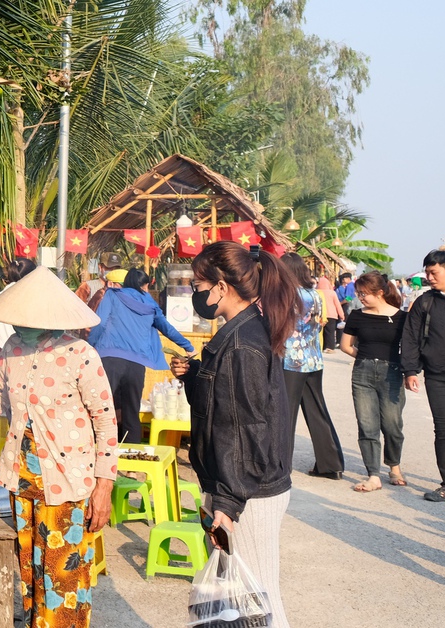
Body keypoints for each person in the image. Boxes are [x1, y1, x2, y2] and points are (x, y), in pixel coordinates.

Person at [0, 266, 115, 628]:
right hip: (22, 477)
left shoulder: (81, 354)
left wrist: (104, 487)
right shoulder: (13, 348)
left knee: (63, 577)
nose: (17, 324)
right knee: (33, 572)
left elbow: (106, 422)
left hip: (68, 481)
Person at [169, 241, 300, 628]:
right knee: (241, 600)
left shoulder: (242, 343)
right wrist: (195, 376)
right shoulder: (239, 331)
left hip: (248, 490)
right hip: (240, 484)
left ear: (221, 287)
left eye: (197, 284)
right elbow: (224, 408)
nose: (195, 292)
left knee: (258, 595)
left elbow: (248, 431)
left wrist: (227, 503)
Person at [87, 268, 194, 444]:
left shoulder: (112, 296)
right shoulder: (150, 304)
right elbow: (166, 328)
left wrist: (90, 345)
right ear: (144, 285)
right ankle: (131, 464)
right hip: (136, 363)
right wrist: (188, 346)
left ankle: (96, 454)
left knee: (101, 408)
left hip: (109, 359)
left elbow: (99, 324)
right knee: (131, 411)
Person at [340, 272, 407, 492]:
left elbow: (409, 348)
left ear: (380, 293)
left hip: (392, 373)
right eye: (359, 293)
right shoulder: (357, 316)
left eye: (364, 294)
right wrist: (365, 358)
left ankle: (394, 465)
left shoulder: (401, 318)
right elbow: (346, 346)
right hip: (362, 373)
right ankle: (373, 474)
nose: (360, 297)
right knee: (367, 425)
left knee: (392, 424)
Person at [281, 253, 345, 479]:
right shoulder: (315, 295)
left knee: (285, 413)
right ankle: (331, 464)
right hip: (313, 358)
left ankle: (281, 466)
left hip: (291, 360)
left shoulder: (287, 295)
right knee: (317, 409)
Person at [401, 250, 445, 502]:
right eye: (427, 273)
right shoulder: (424, 302)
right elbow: (410, 337)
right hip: (439, 377)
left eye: (434, 272)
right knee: (444, 429)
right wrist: (410, 370)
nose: (429, 278)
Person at [316, 276, 345, 352]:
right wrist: (341, 315)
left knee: (320, 332)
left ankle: (322, 346)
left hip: (320, 315)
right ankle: (330, 347)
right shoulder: (332, 293)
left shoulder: (316, 292)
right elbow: (337, 305)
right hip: (332, 315)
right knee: (330, 332)